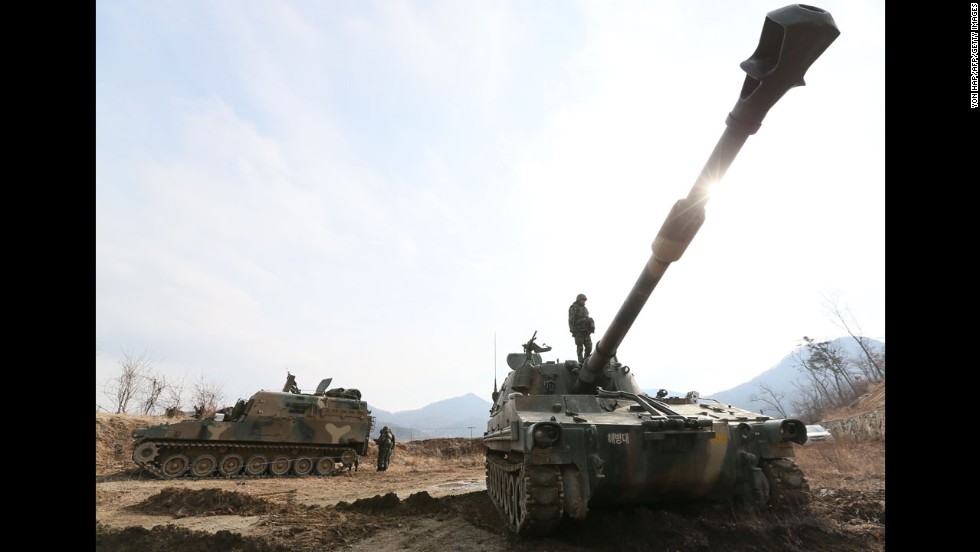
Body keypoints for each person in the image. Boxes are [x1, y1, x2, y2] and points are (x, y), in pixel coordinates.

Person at [568, 293, 595, 363]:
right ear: (578, 300)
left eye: (584, 300)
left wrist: (590, 324)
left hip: (586, 331)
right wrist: (573, 330)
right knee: (580, 347)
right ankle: (581, 362)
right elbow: (571, 320)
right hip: (578, 331)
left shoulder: (585, 309)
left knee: (589, 346)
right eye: (582, 300)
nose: (584, 301)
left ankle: (586, 360)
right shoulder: (573, 308)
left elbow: (587, 318)